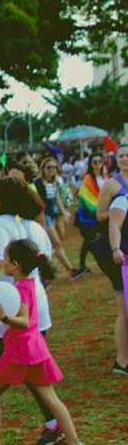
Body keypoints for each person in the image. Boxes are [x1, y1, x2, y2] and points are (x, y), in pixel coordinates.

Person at [0, 177, 63, 445]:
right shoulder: (33, 226)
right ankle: (55, 425)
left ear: (3, 199)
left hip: (2, 310)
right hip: (36, 306)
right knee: (33, 371)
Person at [0, 239, 82, 445]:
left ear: (15, 264)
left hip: (19, 351)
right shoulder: (28, 284)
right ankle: (74, 442)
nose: (4, 262)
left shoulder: (21, 290)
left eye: (6, 258)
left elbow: (25, 321)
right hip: (35, 349)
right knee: (51, 398)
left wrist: (4, 317)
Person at [93, 143, 128, 375]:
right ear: (116, 159)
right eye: (122, 155)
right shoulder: (112, 184)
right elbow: (99, 215)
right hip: (118, 251)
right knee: (123, 308)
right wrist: (120, 210)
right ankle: (122, 361)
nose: (126, 158)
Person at [34, 158, 74, 276]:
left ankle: (45, 273)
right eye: (48, 167)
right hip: (43, 216)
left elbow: (57, 199)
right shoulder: (38, 182)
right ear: (43, 169)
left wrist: (63, 213)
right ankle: (70, 270)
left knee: (50, 244)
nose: (51, 169)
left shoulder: (53, 182)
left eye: (53, 167)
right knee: (56, 243)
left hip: (50, 215)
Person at [72, 152, 106, 280]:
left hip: (101, 213)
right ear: (91, 164)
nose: (98, 164)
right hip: (88, 216)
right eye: (95, 162)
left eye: (99, 161)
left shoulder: (104, 178)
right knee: (88, 240)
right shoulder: (87, 179)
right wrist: (98, 207)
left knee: (94, 239)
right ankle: (82, 266)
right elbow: (85, 198)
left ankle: (85, 265)